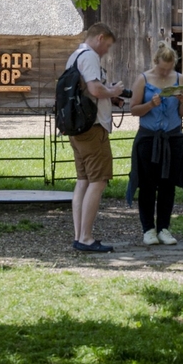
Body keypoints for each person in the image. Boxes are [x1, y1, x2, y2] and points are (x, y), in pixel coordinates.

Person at [127, 40, 183, 245]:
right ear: (155, 62)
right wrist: (150, 104)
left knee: (168, 185)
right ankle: (148, 229)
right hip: (149, 138)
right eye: (162, 69)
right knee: (147, 185)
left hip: (172, 138)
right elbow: (133, 109)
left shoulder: (180, 79)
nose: (165, 73)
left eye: (169, 69)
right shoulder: (143, 79)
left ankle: (164, 228)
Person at [66, 22, 125, 253]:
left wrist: (109, 96)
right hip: (93, 128)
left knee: (83, 181)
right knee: (98, 181)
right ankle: (86, 238)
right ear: (100, 38)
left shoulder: (75, 55)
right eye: (107, 45)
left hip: (77, 129)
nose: (107, 51)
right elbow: (95, 90)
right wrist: (113, 92)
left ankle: (80, 235)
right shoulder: (89, 56)